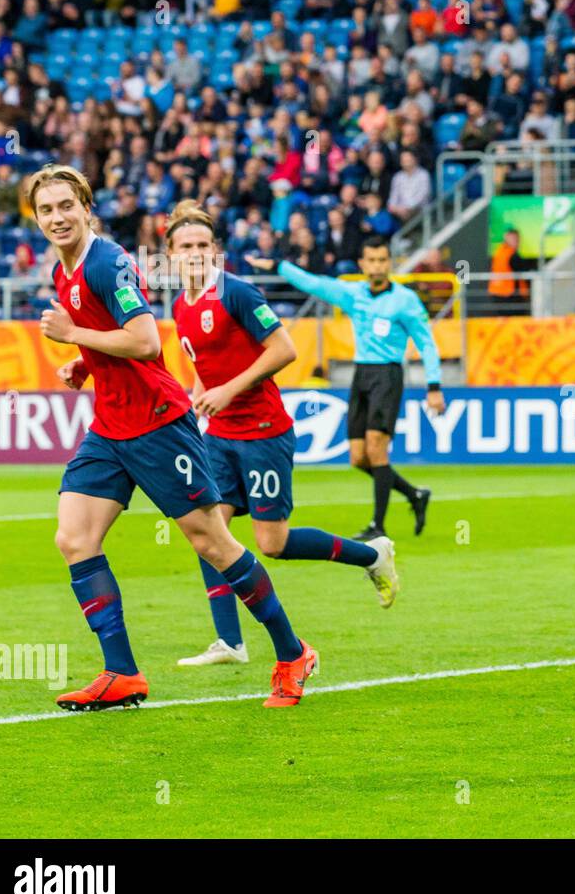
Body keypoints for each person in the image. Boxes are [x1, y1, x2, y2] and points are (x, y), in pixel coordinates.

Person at [31, 165, 318, 710]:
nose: (57, 217)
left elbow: (142, 341)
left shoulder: (110, 262)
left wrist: (73, 336)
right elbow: (111, 339)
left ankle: (292, 652)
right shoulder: (62, 271)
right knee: (74, 539)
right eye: (46, 210)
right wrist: (84, 364)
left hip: (160, 423)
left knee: (213, 543)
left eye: (66, 205)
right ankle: (122, 674)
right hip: (111, 426)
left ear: (86, 206)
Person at [167, 201, 400, 667]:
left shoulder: (238, 294)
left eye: (201, 246)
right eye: (184, 247)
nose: (194, 254)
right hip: (219, 436)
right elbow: (202, 367)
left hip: (263, 432)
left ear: (215, 251)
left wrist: (229, 391)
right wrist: (196, 406)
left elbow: (284, 349)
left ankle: (371, 556)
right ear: (170, 255)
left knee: (273, 544)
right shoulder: (181, 306)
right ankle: (230, 642)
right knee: (206, 531)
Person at [247, 235, 444, 541]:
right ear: (363, 264)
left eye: (382, 260)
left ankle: (378, 526)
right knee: (357, 457)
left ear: (389, 263)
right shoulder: (354, 294)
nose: (377, 267)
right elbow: (313, 283)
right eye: (372, 260)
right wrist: (279, 265)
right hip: (362, 374)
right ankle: (415, 494)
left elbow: (426, 343)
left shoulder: (405, 300)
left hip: (388, 375)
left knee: (377, 449)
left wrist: (434, 385)